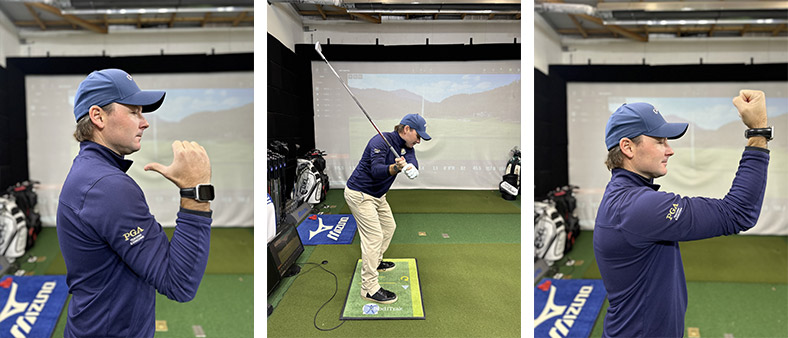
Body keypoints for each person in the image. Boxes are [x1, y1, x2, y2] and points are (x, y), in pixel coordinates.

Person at [594, 90, 771, 337]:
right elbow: (738, 212)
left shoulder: (625, 197)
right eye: (660, 141)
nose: (670, 150)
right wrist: (758, 132)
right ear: (627, 147)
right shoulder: (636, 207)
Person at [57, 68, 215, 338]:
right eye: (134, 112)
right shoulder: (107, 186)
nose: (145, 122)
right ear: (98, 116)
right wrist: (196, 191)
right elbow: (179, 283)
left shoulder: (91, 173)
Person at [344, 113, 431, 304]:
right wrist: (396, 168)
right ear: (406, 129)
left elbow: (412, 160)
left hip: (378, 195)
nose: (419, 141)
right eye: (418, 136)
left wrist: (411, 167)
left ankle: (376, 262)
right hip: (360, 194)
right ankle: (369, 289)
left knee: (389, 227)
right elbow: (376, 171)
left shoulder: (407, 146)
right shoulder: (380, 141)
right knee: (374, 237)